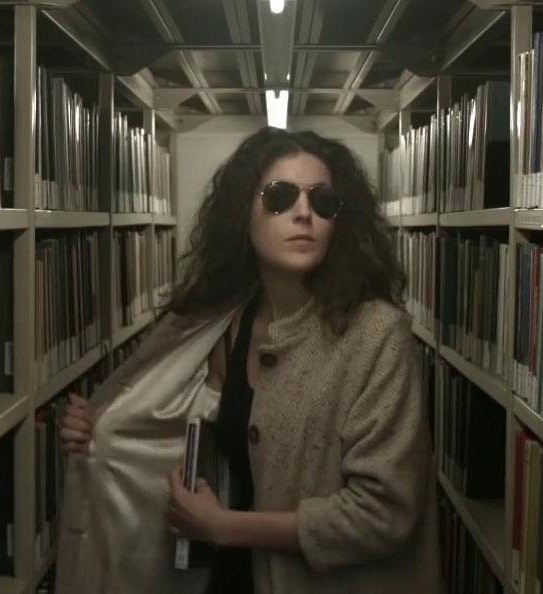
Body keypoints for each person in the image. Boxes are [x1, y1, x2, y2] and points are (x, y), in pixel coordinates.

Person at [57, 126, 442, 594]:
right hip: (231, 579)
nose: (304, 213)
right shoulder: (220, 326)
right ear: (243, 213)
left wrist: (225, 527)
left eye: (323, 201)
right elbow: (169, 431)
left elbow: (384, 514)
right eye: (280, 196)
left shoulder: (378, 335)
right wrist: (101, 430)